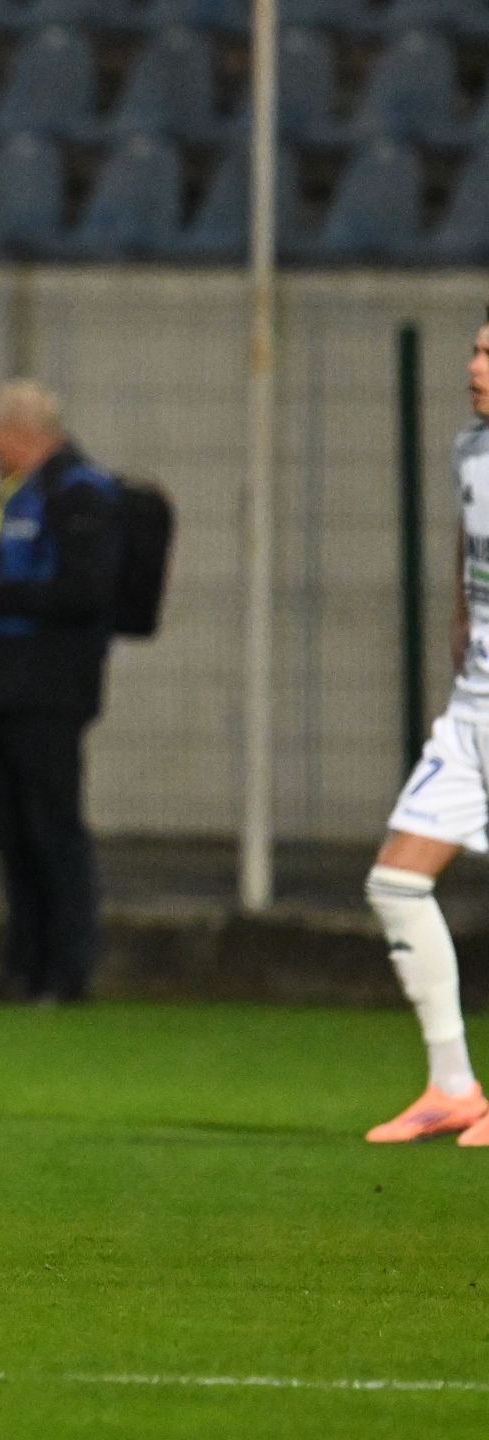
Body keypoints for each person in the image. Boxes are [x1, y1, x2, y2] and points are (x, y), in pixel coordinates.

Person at [0, 380, 121, 1005]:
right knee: (10, 831)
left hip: (52, 685)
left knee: (51, 828)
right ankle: (21, 967)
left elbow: (86, 591)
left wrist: (2, 598)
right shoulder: (8, 495)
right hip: (1, 681)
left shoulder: (80, 493)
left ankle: (67, 972)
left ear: (19, 433)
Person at [362, 317, 489, 1146]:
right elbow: (467, 538)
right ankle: (452, 1087)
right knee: (396, 884)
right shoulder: (470, 447)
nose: (475, 366)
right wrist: (457, 614)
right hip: (472, 708)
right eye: (475, 350)